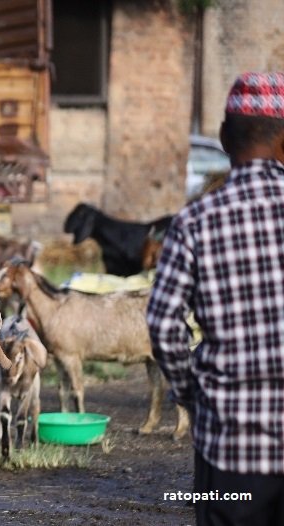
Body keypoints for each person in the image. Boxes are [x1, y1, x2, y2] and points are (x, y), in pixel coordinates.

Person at [147, 71, 284, 526]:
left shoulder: (195, 222)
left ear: (224, 137)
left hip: (231, 457)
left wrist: (194, 396)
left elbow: (164, 327)